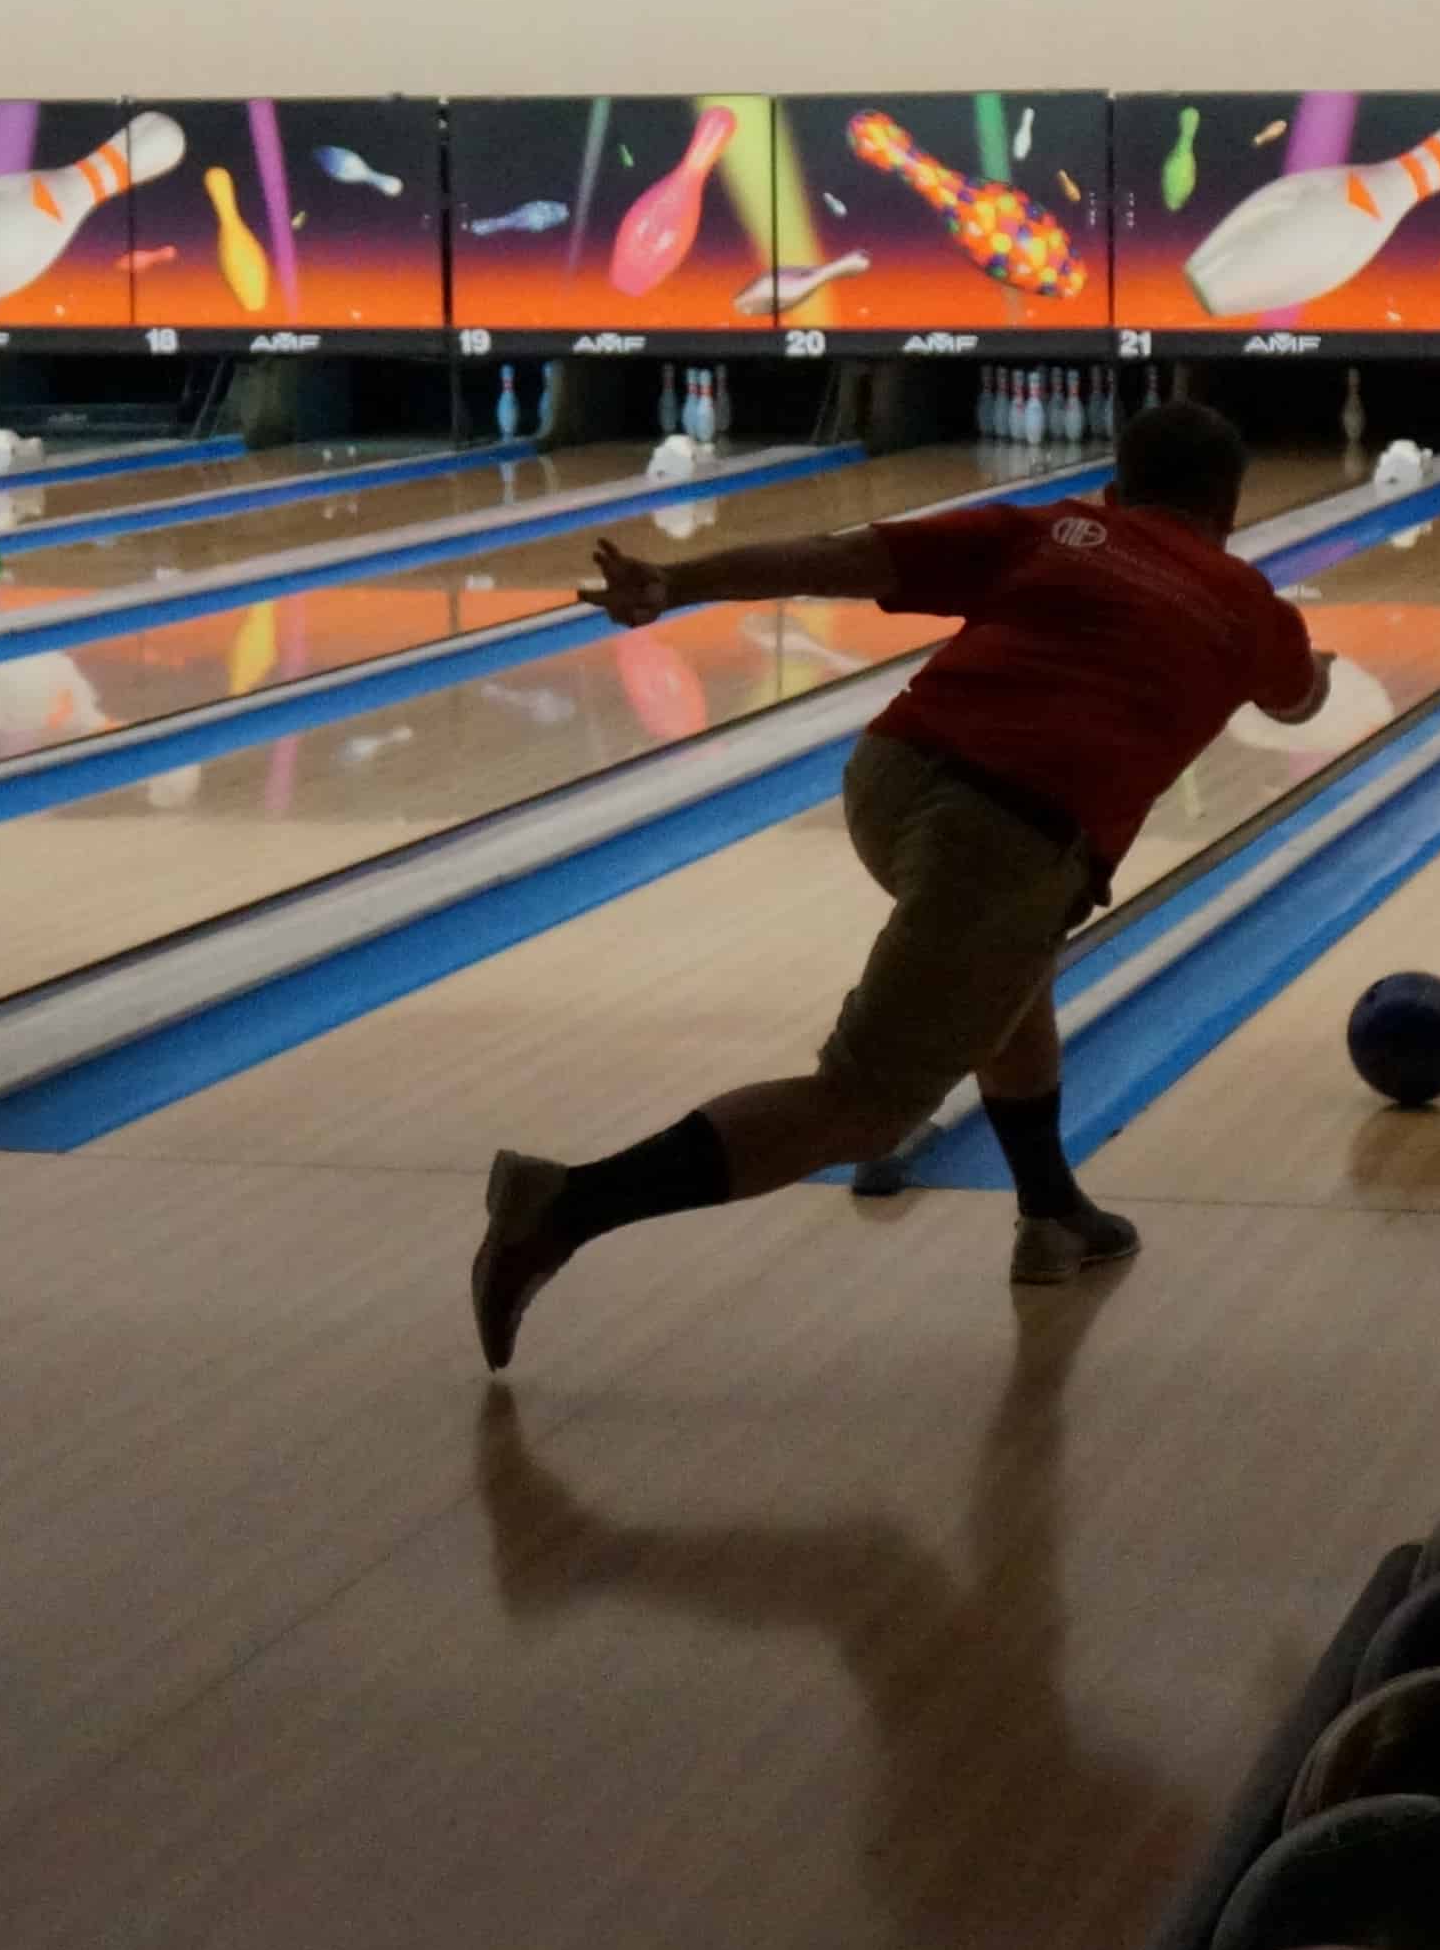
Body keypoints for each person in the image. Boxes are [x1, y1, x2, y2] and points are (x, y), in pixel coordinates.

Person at [471, 401, 1329, 1368]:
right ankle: (564, 1205)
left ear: (1116, 488)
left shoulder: (1051, 528)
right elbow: (1300, 702)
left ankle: (1051, 1211)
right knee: (867, 1103)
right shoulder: (1252, 606)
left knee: (1011, 965)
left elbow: (839, 559)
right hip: (1006, 834)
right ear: (1233, 505)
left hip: (889, 777)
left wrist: (673, 580)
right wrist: (1309, 669)